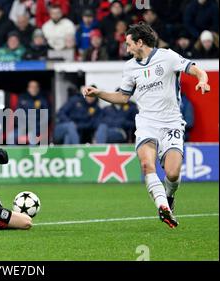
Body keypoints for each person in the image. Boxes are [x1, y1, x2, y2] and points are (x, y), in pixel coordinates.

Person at [83, 23, 211, 228]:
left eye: (128, 44)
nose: (127, 49)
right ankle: (163, 208)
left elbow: (196, 70)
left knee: (172, 174)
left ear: (140, 42)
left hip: (171, 123)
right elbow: (123, 97)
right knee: (146, 164)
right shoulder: (130, 67)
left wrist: (203, 81)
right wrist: (99, 93)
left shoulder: (167, 57)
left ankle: (168, 197)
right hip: (147, 123)